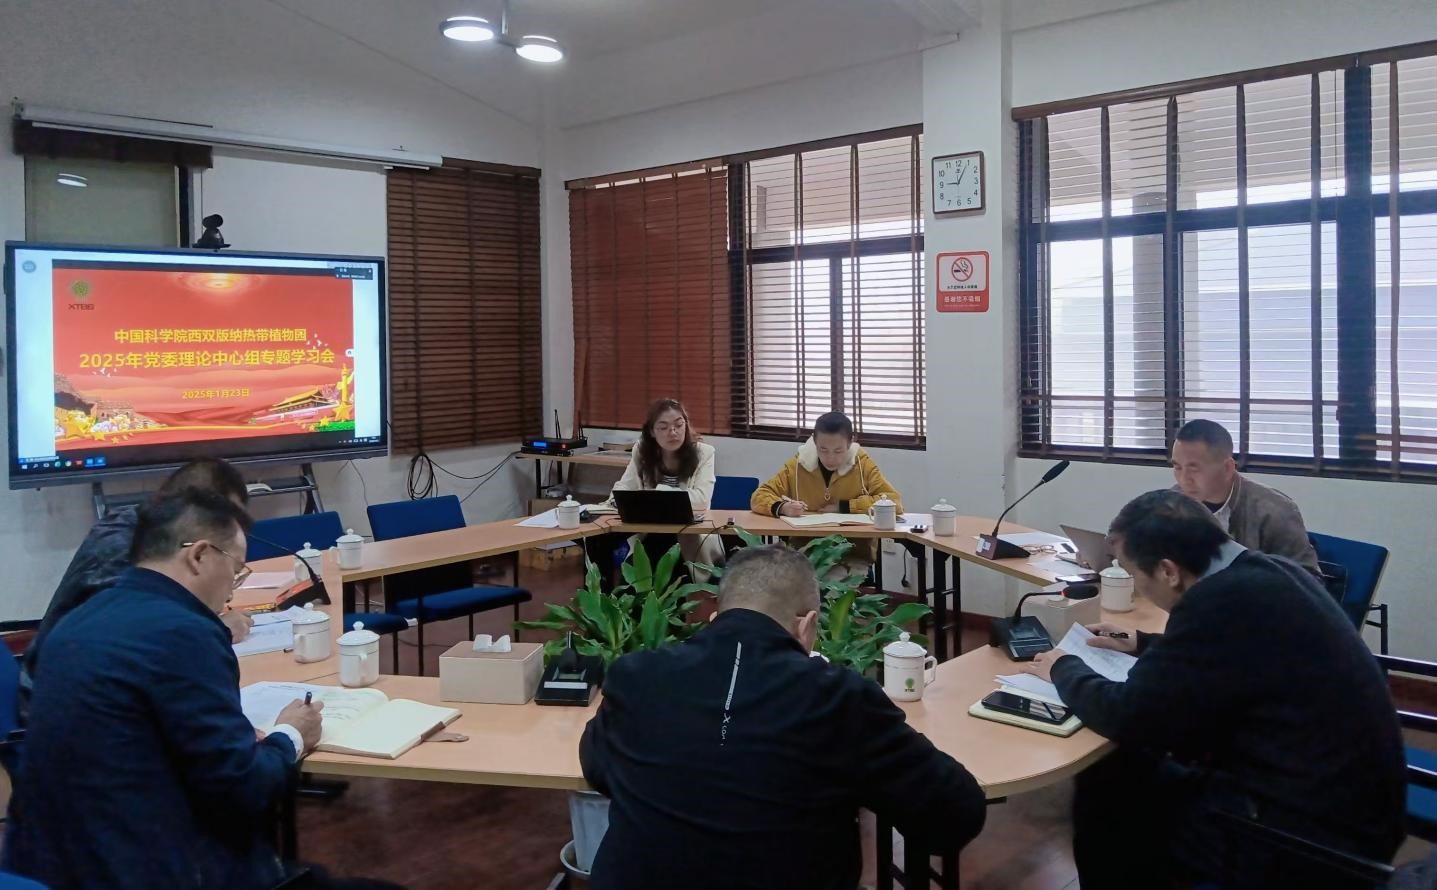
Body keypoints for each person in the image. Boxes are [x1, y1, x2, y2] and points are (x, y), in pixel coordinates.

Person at [1020, 490, 1405, 890]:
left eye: (1136, 577)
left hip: (1306, 839)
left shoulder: (1217, 604)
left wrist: (1064, 668)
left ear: (1168, 571)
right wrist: (1142, 643)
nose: (1139, 588)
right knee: (1131, 769)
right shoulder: (1265, 572)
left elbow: (1128, 715)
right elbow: (1230, 655)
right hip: (1355, 804)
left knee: (1109, 791)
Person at [580, 544, 986, 890]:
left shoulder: (636, 675)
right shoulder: (839, 698)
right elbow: (955, 815)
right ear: (807, 626)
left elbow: (597, 767)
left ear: (715, 618)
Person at [4, 490, 328, 889]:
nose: (232, 591)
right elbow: (243, 788)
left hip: (49, 867)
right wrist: (291, 735)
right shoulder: (185, 632)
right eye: (236, 571)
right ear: (200, 555)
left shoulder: (77, 619)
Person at [24, 457, 255, 688]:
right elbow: (134, 636)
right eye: (224, 519)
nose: (230, 530)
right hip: (58, 687)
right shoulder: (122, 545)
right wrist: (217, 630)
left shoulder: (146, 526)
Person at [750, 411, 901, 567]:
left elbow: (894, 502)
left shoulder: (863, 465)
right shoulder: (798, 465)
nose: (830, 458)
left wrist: (845, 507)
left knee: (835, 579)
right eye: (823, 449)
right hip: (804, 553)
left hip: (852, 553)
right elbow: (759, 496)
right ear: (814, 441)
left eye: (838, 451)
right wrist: (783, 507)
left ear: (850, 442)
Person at [1170, 418, 1320, 574]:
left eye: (1194, 468)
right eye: (1177, 467)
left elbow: (1309, 581)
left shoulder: (1273, 511)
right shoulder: (1171, 505)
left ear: (1227, 468)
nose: (1184, 479)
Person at [591, 398, 722, 570]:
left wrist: (656, 494)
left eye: (679, 425)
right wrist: (616, 501)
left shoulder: (704, 453)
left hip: (689, 533)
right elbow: (626, 485)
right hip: (649, 529)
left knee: (659, 553)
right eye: (663, 427)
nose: (673, 432)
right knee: (599, 541)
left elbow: (702, 500)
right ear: (652, 431)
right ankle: (603, 585)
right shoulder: (642, 450)